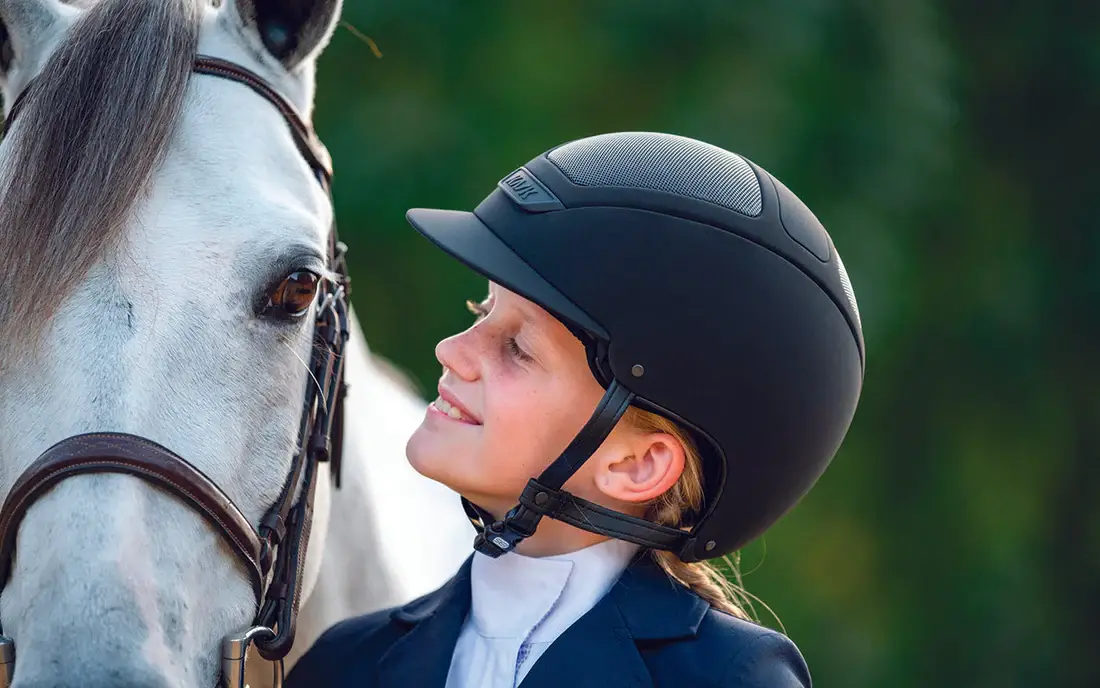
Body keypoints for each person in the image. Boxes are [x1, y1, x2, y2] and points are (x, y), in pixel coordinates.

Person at [285, 131, 864, 687]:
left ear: (636, 465)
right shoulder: (342, 665)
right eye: (480, 311)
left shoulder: (729, 679)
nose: (452, 351)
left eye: (517, 348)